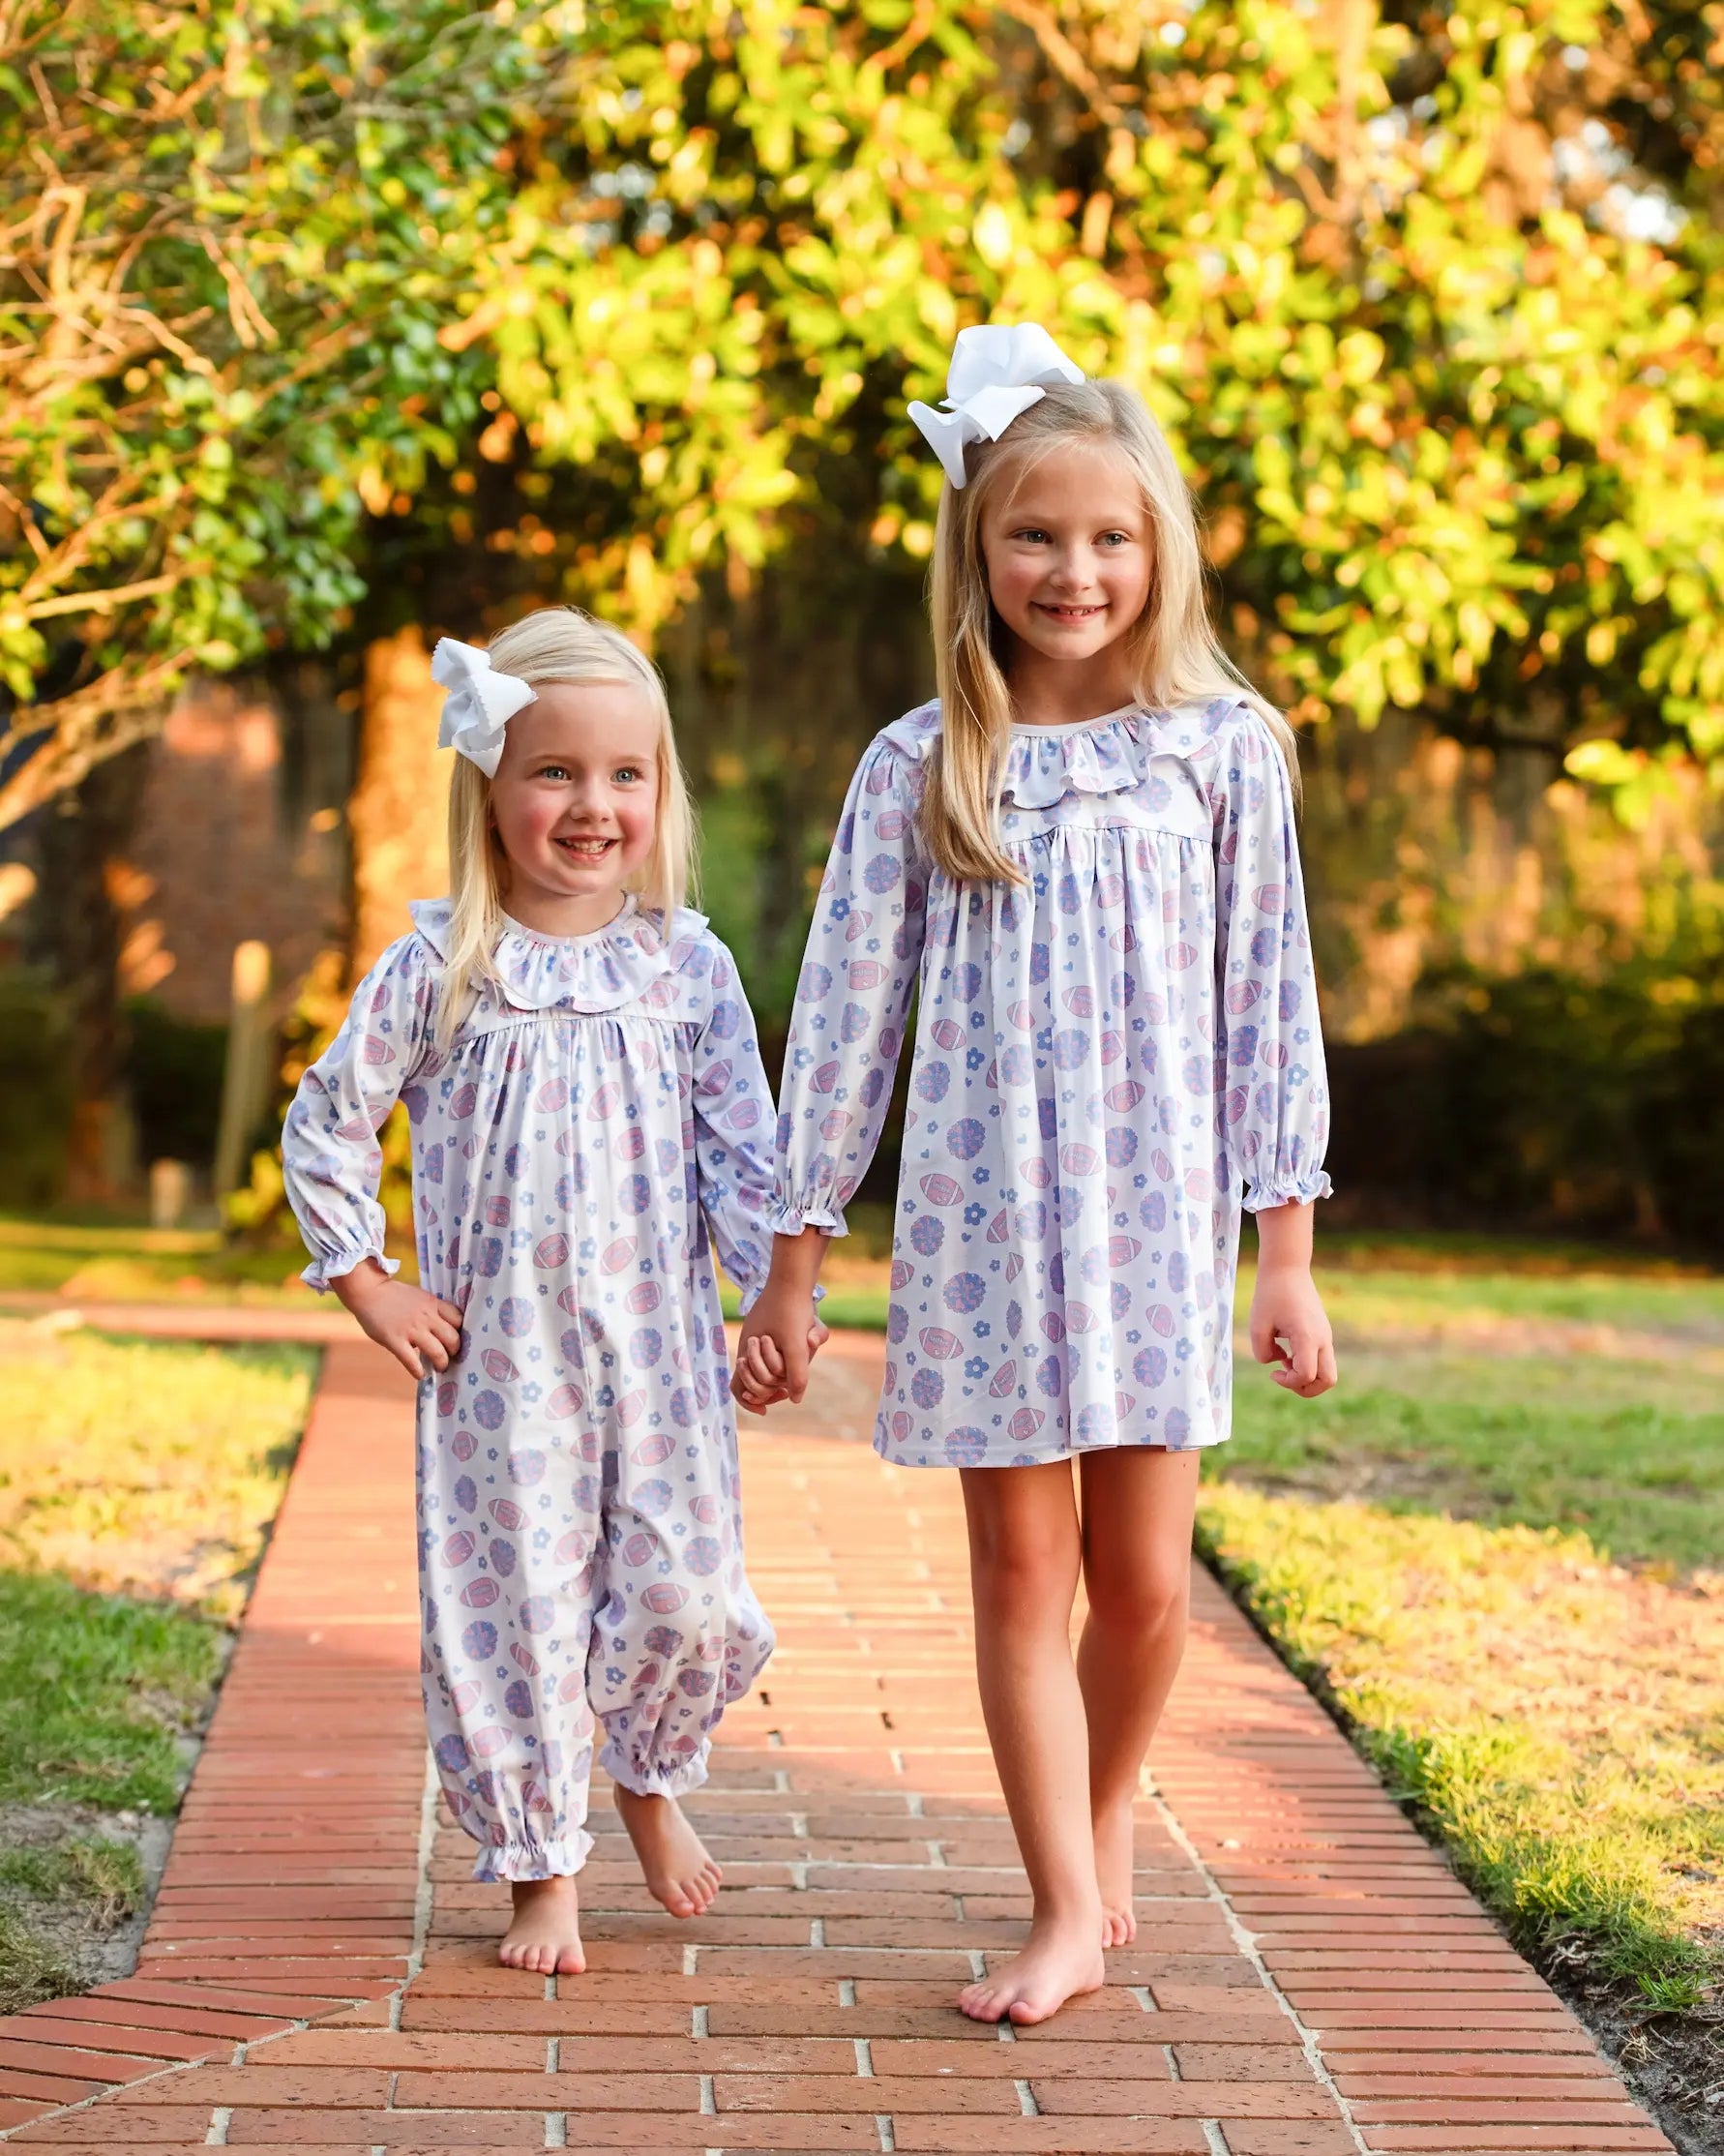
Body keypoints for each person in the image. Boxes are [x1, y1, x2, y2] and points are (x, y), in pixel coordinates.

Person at [733, 324, 1337, 2024]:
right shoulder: (918, 764)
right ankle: (1061, 1906)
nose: (1072, 571)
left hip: (1155, 1224)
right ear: (974, 554)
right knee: (1021, 1575)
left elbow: (1265, 1001)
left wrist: (1278, 1248)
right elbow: (845, 1024)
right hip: (985, 1231)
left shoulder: (1222, 750)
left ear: (1162, 552)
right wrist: (793, 1267)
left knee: (1146, 1588)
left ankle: (1101, 1814)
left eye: (1109, 538)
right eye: (1033, 536)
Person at [282, 607, 801, 1976]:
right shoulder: (440, 971)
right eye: (554, 772)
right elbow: (328, 1119)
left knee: (687, 1597)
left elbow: (745, 1152)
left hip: (666, 1360)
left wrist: (771, 1295)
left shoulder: (685, 967)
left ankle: (646, 1771)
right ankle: (539, 1870)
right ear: (492, 792)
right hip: (499, 1372)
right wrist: (369, 1284)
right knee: (512, 1611)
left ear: (660, 792)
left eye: (624, 774)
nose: (591, 804)